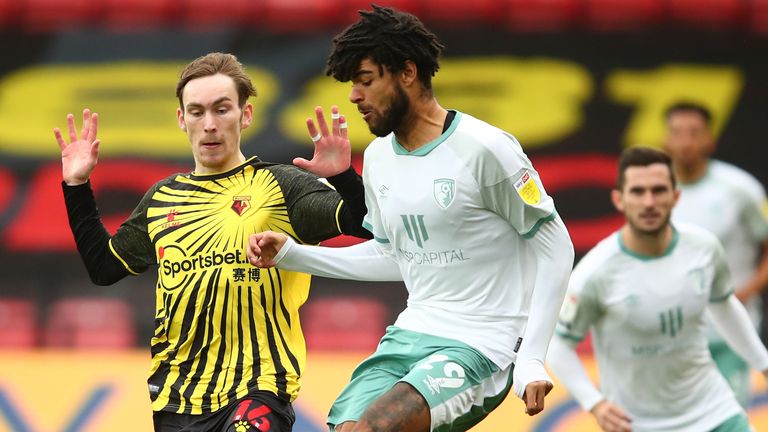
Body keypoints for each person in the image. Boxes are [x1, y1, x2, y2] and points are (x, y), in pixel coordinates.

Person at [246, 5, 575, 432]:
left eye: (364, 81)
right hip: (409, 335)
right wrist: (295, 255)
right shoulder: (379, 157)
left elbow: (555, 245)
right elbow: (394, 254)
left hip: (483, 346)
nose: (354, 96)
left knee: (376, 427)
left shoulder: (486, 149)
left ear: (406, 72)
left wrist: (531, 357)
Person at [54, 52, 371, 432]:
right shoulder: (161, 199)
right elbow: (104, 268)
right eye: (197, 112)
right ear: (181, 120)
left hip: (259, 388)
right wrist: (76, 186)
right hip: (176, 395)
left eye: (222, 110)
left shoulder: (281, 185)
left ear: (246, 115)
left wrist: (343, 177)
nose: (209, 125)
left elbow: (365, 223)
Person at [547, 147, 768, 432]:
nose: (649, 202)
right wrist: (595, 403)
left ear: (675, 197)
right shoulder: (595, 272)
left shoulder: (703, 248)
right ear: (619, 199)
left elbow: (724, 305)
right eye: (638, 192)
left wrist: (763, 363)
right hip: (640, 424)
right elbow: (559, 345)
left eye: (658, 190)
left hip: (714, 410)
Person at [664, 101, 768, 408]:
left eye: (694, 132)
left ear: (710, 138)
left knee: (727, 417)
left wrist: (745, 291)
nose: (685, 142)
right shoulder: (653, 191)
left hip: (731, 333)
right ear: (665, 140)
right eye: (677, 133)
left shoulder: (741, 189)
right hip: (671, 334)